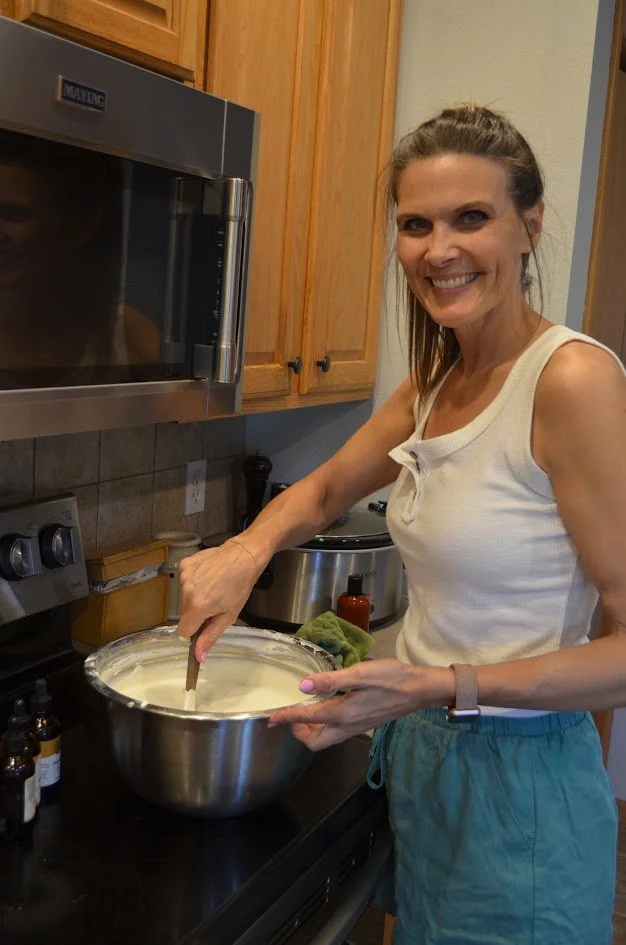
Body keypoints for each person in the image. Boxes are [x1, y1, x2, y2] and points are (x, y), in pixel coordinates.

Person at [177, 104, 626, 945]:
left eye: (471, 218)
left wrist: (436, 684)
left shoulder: (569, 380)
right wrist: (244, 550)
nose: (438, 249)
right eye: (415, 224)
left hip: (520, 785)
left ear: (529, 227)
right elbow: (319, 493)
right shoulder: (434, 382)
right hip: (423, 761)